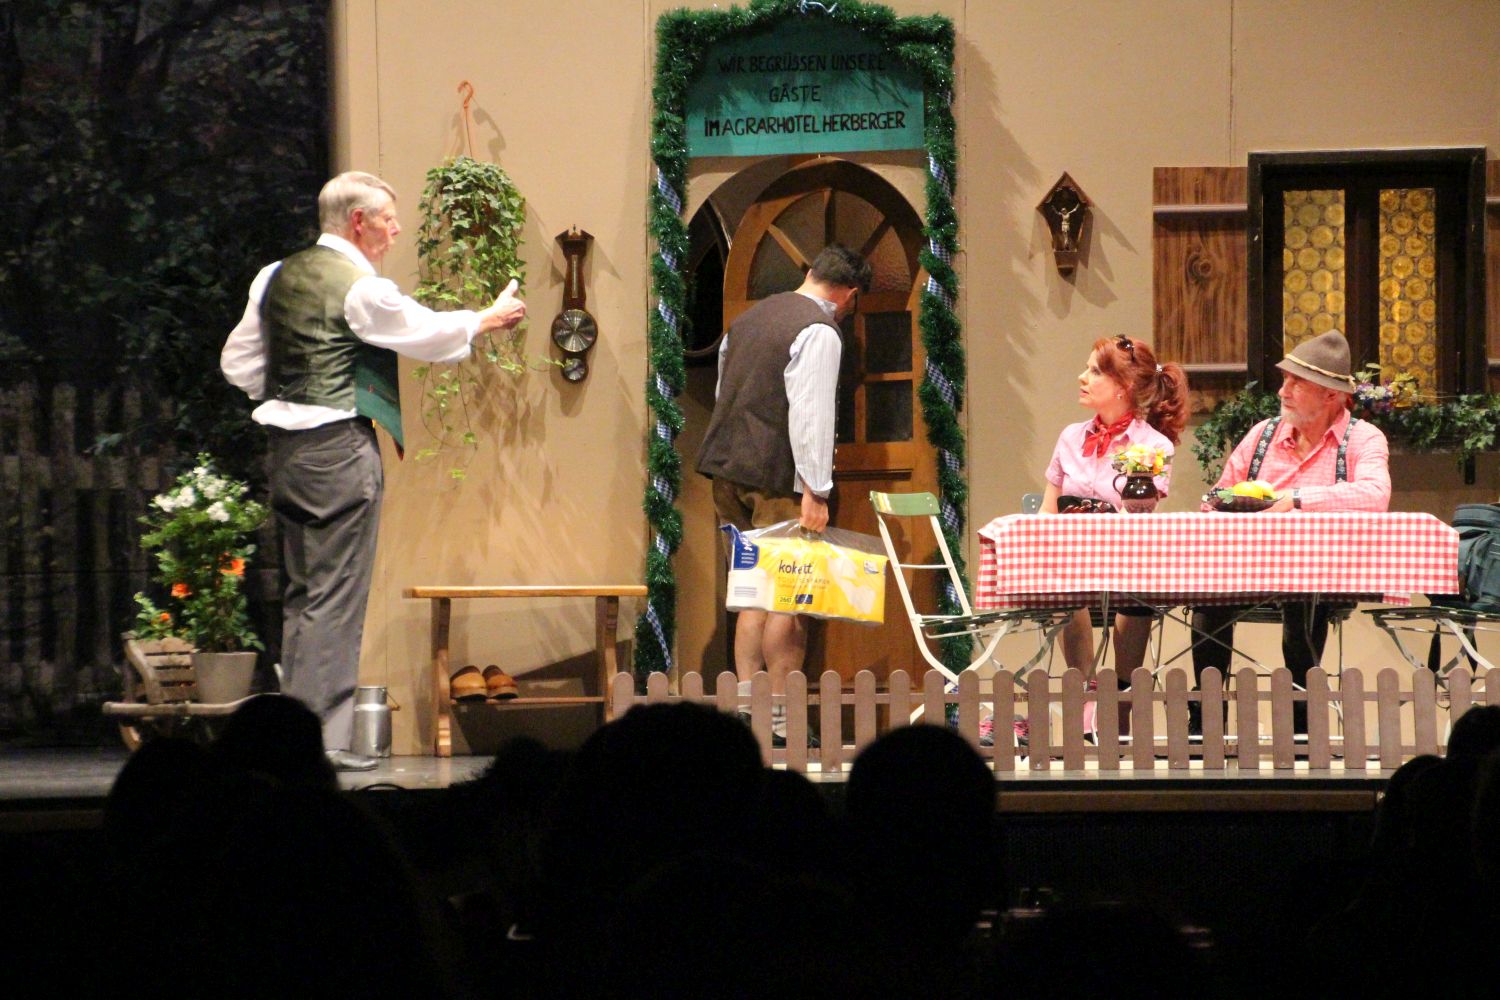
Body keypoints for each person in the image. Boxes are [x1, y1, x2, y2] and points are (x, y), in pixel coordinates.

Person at [221, 171, 525, 770]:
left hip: (285, 452)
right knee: (336, 598)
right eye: (388, 218)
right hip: (337, 450)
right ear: (358, 222)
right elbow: (419, 330)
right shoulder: (360, 288)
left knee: (304, 596)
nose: (397, 229)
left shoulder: (273, 276)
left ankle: (293, 740)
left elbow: (239, 364)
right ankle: (323, 742)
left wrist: (292, 393)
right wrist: (485, 318)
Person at [695, 244, 871, 743]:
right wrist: (816, 488)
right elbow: (811, 413)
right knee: (789, 598)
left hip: (727, 471)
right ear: (850, 293)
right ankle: (781, 717)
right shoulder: (818, 330)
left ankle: (746, 708)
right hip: (777, 477)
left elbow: (726, 394)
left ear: (810, 272)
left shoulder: (748, 320)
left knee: (751, 593)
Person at [1190, 330, 1391, 734]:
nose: (1283, 391)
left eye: (1296, 383)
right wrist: (1225, 505)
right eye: (1285, 380)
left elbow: (1375, 494)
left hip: (1320, 572)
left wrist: (1296, 499)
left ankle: (1302, 728)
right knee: (1208, 598)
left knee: (1303, 596)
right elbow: (1216, 496)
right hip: (1244, 568)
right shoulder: (1263, 435)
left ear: (1330, 395)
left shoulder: (1362, 438)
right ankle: (1207, 723)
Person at [1040, 335, 1189, 695]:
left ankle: (1121, 704)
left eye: (1094, 371)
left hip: (1127, 560)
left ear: (1123, 387)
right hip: (1071, 560)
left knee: (1137, 588)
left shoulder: (1154, 446)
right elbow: (1048, 509)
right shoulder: (1070, 437)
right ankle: (1084, 697)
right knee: (1062, 587)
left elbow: (1137, 516)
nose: (1082, 377)